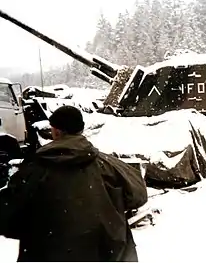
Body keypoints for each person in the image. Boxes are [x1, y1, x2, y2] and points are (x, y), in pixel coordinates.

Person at [0, 105, 148, 262]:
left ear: (55, 131)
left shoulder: (34, 169)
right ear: (81, 130)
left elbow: (9, 214)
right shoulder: (108, 165)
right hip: (104, 254)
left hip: (48, 255)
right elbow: (138, 195)